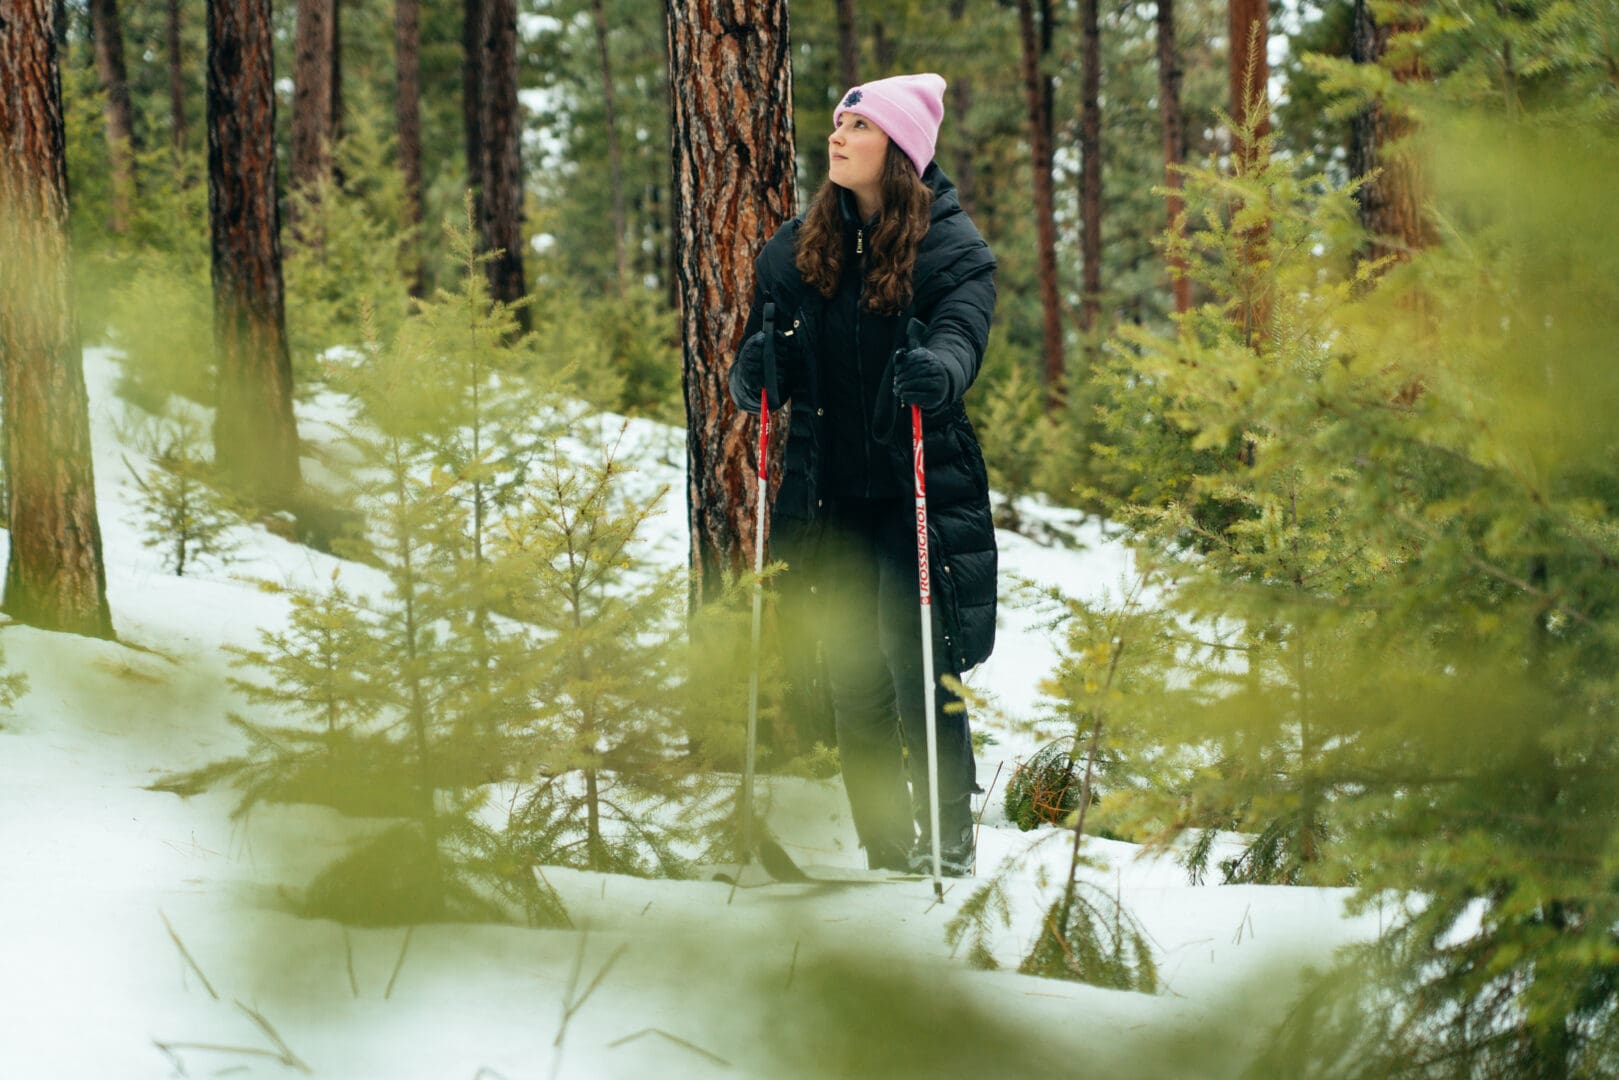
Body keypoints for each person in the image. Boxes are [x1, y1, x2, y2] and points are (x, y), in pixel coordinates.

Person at [727, 73, 998, 876]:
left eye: (858, 126)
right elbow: (764, 358)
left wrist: (937, 370)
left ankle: (949, 843)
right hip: (828, 492)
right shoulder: (794, 250)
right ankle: (888, 846)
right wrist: (754, 373)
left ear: (900, 149)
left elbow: (960, 335)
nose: (837, 136)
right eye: (838, 122)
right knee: (852, 676)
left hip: (919, 489)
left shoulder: (951, 248)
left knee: (919, 667)